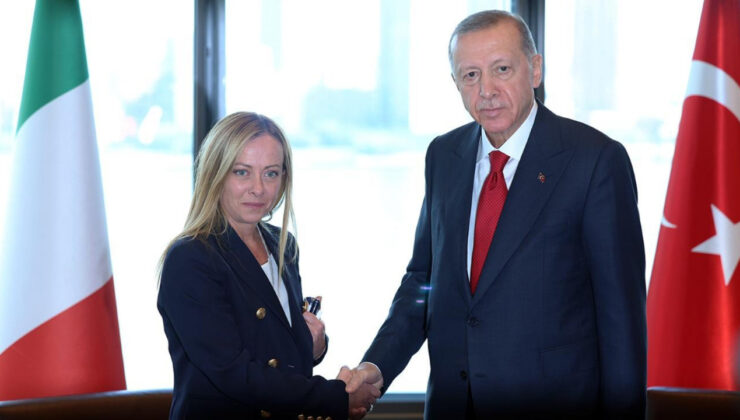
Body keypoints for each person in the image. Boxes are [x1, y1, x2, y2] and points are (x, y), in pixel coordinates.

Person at [345, 10, 647, 419]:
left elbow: (621, 320)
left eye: (501, 69)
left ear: (535, 69)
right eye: (470, 75)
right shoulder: (443, 156)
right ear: (456, 83)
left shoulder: (594, 160)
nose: (486, 90)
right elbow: (423, 283)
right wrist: (376, 366)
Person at [157, 112, 379, 419]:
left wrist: (314, 347)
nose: (258, 188)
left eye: (271, 173)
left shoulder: (282, 245)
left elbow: (275, 349)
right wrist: (335, 397)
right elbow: (234, 373)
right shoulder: (191, 258)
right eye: (242, 172)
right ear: (215, 173)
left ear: (284, 178)